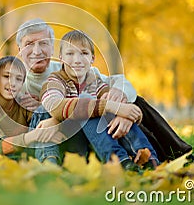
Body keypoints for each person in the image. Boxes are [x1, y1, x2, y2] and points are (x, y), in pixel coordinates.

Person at [0, 18, 192, 162]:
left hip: (89, 131)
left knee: (136, 103)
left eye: (44, 44)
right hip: (57, 141)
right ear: (20, 50)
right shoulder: (11, 76)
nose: (37, 50)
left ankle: (173, 152)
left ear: (53, 49)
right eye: (29, 44)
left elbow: (117, 81)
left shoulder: (68, 67)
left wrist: (121, 104)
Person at [38, 30, 159, 171]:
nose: (77, 60)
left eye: (84, 53)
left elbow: (111, 101)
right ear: (61, 58)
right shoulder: (53, 81)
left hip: (98, 140)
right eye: (70, 54)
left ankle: (148, 158)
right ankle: (119, 161)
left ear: (92, 58)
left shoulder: (95, 82)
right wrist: (110, 107)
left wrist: (122, 112)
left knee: (108, 108)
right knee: (86, 102)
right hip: (74, 146)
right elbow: (55, 106)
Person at [0, 56, 65, 162]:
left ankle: (50, 164)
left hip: (23, 157)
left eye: (18, 79)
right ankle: (50, 165)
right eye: (6, 76)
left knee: (42, 111)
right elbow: (2, 146)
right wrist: (37, 135)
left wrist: (53, 121)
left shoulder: (23, 103)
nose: (12, 83)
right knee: (44, 133)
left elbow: (42, 118)